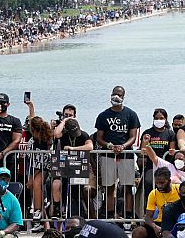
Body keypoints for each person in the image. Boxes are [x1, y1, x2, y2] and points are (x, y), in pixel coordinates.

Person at [94, 86, 140, 219]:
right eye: (114, 94)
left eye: (119, 94)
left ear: (123, 97)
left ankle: (128, 216)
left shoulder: (131, 114)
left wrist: (123, 146)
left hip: (126, 155)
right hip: (107, 155)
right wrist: (109, 146)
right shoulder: (103, 115)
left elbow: (133, 136)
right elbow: (99, 137)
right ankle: (109, 215)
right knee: (109, 187)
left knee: (127, 187)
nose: (116, 97)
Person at [51, 118, 94, 219]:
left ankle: (82, 213)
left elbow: (90, 147)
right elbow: (56, 134)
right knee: (56, 184)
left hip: (78, 165)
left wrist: (73, 149)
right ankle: (57, 209)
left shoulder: (83, 134)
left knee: (78, 190)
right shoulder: (64, 134)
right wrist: (64, 121)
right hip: (64, 165)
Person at [131, 167, 179, 238]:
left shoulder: (179, 189)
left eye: (162, 183)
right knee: (137, 232)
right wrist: (155, 227)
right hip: (160, 223)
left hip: (176, 223)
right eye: (157, 183)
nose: (159, 185)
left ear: (169, 181)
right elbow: (148, 217)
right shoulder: (154, 193)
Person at [140, 108, 176, 200]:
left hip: (165, 165)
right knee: (148, 183)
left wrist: (172, 151)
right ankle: (148, 208)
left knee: (166, 185)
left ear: (166, 119)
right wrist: (144, 147)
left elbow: (172, 149)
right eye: (156, 118)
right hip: (151, 165)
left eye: (161, 118)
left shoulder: (170, 133)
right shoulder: (147, 132)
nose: (159, 120)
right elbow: (142, 150)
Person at [24, 116, 53, 229]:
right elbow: (31, 160)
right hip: (32, 166)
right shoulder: (32, 139)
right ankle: (43, 222)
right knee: (34, 190)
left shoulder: (45, 139)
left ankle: (37, 211)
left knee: (36, 184)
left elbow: (43, 161)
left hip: (43, 167)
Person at [0, 93, 23, 173]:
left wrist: (2, 154)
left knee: (8, 182)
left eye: (3, 103)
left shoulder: (15, 121)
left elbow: (16, 140)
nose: (0, 105)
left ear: (8, 104)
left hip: (8, 157)